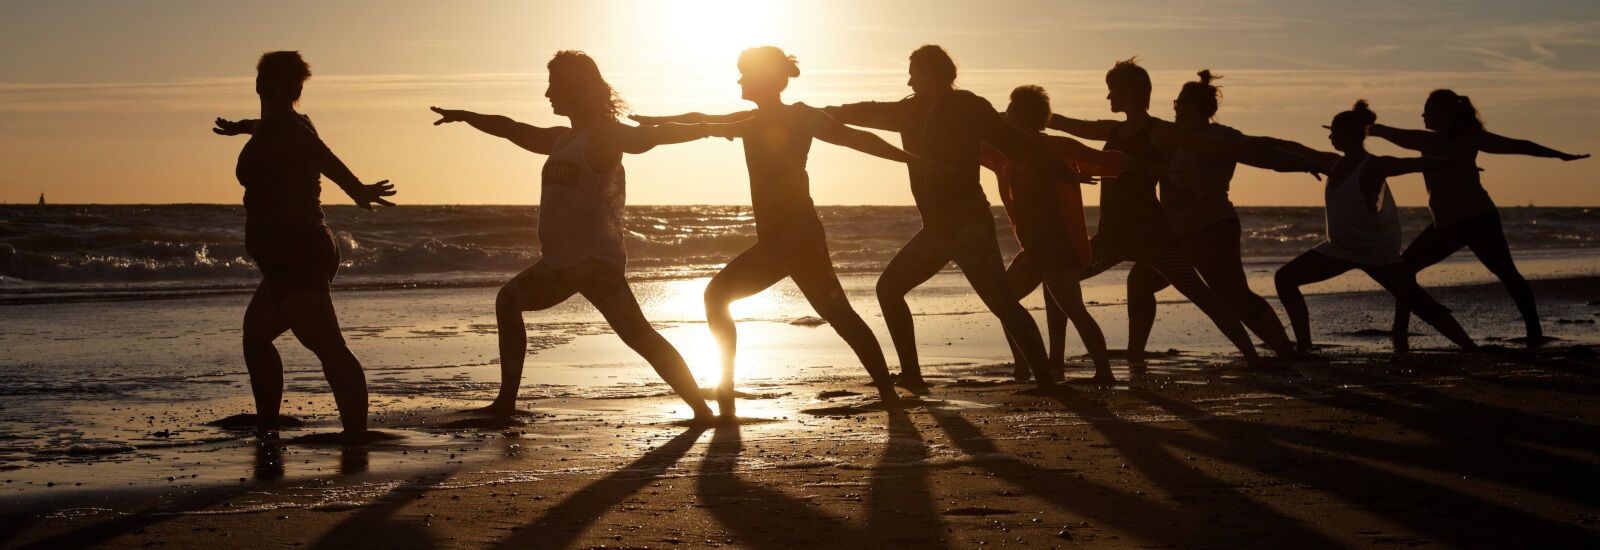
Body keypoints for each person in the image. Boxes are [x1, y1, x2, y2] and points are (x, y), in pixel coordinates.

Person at [630, 46, 926, 415]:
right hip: (792, 238)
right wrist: (656, 122)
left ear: (765, 79)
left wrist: (915, 161)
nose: (738, 80)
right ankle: (888, 393)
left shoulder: (801, 117)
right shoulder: (750, 121)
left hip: (794, 236)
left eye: (744, 74)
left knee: (716, 296)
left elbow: (856, 138)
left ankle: (725, 399)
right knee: (840, 315)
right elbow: (701, 121)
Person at [429, 51, 721, 423]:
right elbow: (511, 128)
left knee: (512, 302)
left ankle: (505, 403)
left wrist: (712, 126)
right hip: (567, 262)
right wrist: (466, 117)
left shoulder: (604, 136)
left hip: (589, 262)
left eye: (555, 85)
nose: (548, 94)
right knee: (639, 336)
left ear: (577, 89)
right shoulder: (562, 140)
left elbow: (654, 137)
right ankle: (701, 409)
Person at [822, 45, 1089, 392]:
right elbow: (862, 112)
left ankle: (1045, 379)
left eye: (914, 73)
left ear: (932, 74)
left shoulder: (970, 108)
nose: (909, 80)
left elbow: (1016, 143)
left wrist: (1059, 169)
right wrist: (811, 114)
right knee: (889, 289)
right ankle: (914, 376)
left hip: (970, 227)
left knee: (1002, 304)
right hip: (936, 231)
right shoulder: (909, 111)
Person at [1047, 58, 1293, 373]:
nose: (1109, 98)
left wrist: (1270, 144)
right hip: (1113, 234)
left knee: (1203, 295)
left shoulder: (1159, 131)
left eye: (1113, 91)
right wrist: (1017, 119)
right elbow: (1069, 124)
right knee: (1057, 276)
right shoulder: (1113, 129)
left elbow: (1212, 147)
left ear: (1131, 93)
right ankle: (1056, 363)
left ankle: (1252, 357)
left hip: (1152, 234)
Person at [212, 51, 397, 442]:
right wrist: (240, 127)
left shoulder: (292, 128)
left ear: (261, 85)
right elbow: (264, 126)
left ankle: (357, 436)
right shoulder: (278, 125)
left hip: (300, 252)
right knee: (257, 335)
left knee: (327, 344)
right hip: (290, 256)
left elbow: (321, 156)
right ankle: (268, 425)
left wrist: (356, 189)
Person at [1369, 90, 1589, 351]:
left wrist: (1559, 155)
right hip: (1447, 225)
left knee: (1507, 274)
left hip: (1479, 220)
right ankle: (1400, 329)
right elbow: (1382, 130)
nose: (1423, 115)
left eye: (1428, 110)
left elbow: (1518, 145)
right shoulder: (1424, 141)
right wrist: (1351, 127)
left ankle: (1534, 332)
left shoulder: (1470, 139)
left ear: (1446, 114)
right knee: (1405, 268)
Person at [1123, 70, 1315, 364]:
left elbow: (1266, 156)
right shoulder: (1171, 139)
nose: (1174, 109)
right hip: (1176, 233)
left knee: (1233, 295)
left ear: (1195, 107)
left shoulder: (1219, 136)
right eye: (1174, 104)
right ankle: (1135, 355)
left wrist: (1305, 163)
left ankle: (1287, 353)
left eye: (1179, 104)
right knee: (1139, 282)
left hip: (1212, 228)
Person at [1274, 100, 1477, 353]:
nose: (1330, 136)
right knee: (1284, 279)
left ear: (1349, 134)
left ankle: (1470, 347)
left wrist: (1455, 165)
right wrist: (1262, 142)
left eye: (1334, 131)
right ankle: (1304, 348)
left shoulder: (1374, 165)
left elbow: (1416, 164)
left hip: (1376, 253)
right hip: (1339, 249)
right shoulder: (1333, 163)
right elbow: (1298, 149)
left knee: (1417, 301)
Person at [979, 85, 1126, 383]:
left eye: (1010, 111)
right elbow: (973, 134)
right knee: (1003, 302)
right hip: (1032, 247)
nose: (1004, 116)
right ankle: (1022, 368)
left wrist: (1155, 166)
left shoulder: (1057, 147)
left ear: (1020, 115)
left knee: (1075, 310)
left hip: (1058, 244)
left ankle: (1105, 373)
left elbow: (1106, 160)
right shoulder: (1002, 152)